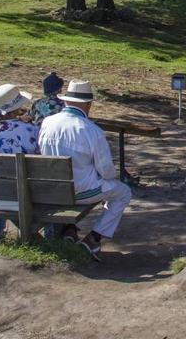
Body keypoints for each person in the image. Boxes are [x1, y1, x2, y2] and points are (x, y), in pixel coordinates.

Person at [38, 79, 132, 257]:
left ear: (65, 100)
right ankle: (94, 237)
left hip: (52, 190)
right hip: (79, 191)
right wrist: (109, 178)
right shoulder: (91, 130)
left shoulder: (47, 123)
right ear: (88, 104)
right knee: (123, 192)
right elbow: (106, 170)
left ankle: (69, 229)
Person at [0, 84, 39, 241]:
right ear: (19, 107)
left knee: (0, 177)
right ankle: (33, 233)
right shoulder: (31, 130)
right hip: (26, 194)